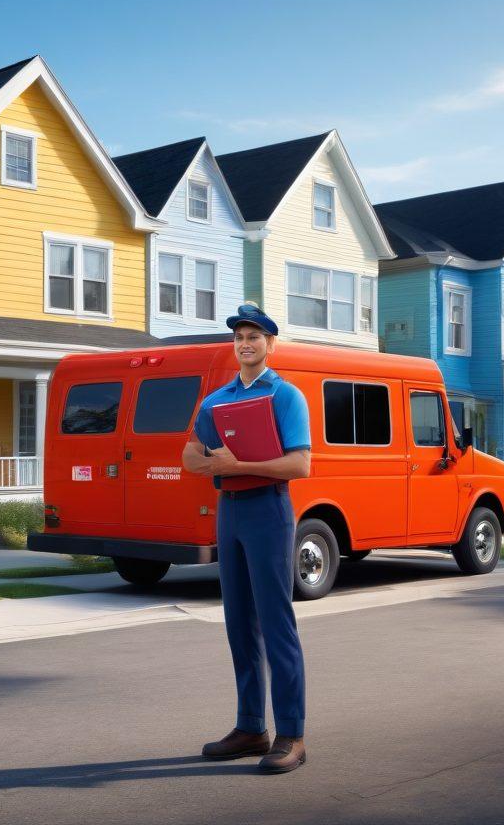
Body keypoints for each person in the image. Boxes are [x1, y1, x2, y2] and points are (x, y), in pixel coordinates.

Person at [181, 303, 312, 774]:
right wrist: (218, 464)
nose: (245, 342)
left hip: (269, 510)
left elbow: (300, 465)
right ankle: (251, 726)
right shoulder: (216, 401)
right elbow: (189, 456)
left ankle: (291, 734)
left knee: (276, 623)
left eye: (255, 335)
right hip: (229, 512)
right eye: (239, 335)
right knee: (238, 621)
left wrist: (239, 465)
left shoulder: (286, 397)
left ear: (270, 344)